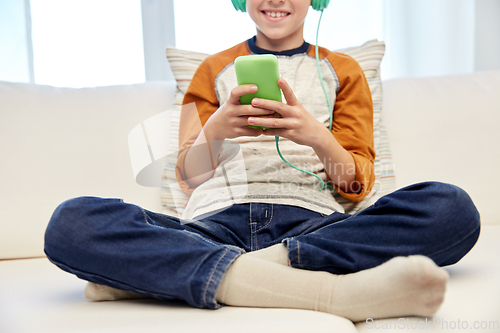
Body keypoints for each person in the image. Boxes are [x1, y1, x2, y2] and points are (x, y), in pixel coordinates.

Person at [44, 0, 480, 323]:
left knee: (450, 208)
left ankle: (184, 273)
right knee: (73, 222)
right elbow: (190, 178)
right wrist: (216, 128)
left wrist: (317, 138)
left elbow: (356, 185)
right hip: (213, 224)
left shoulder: (343, 71)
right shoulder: (213, 69)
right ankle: (333, 294)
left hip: (314, 224)